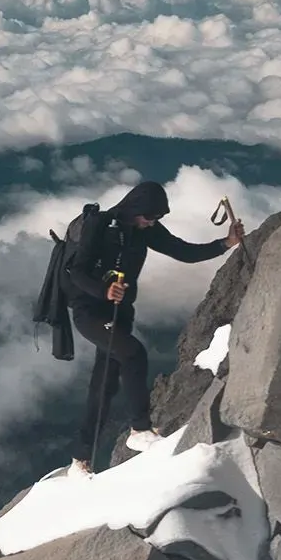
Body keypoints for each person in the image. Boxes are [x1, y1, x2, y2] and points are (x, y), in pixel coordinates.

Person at [61, 181, 243, 477]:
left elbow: (182, 251)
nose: (151, 222)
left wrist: (225, 243)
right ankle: (140, 429)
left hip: (120, 313)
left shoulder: (144, 230)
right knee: (133, 353)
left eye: (156, 218)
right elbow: (77, 272)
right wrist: (104, 291)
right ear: (134, 209)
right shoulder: (100, 225)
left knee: (104, 385)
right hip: (90, 311)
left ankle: (79, 460)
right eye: (148, 216)